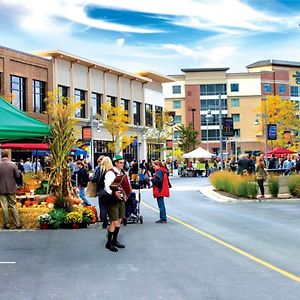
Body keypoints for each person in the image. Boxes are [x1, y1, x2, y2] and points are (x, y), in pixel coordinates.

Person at [104, 155, 127, 252]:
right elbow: (107, 187)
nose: (122, 164)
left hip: (121, 199)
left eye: (123, 162)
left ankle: (115, 240)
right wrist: (114, 193)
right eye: (120, 162)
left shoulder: (122, 172)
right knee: (114, 221)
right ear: (116, 163)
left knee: (120, 220)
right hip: (112, 200)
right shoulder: (110, 173)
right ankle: (109, 243)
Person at [0, 150, 22, 229]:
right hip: (11, 188)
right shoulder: (13, 164)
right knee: (13, 205)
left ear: (1, 155)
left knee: (4, 206)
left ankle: (6, 224)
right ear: (8, 155)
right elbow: (18, 176)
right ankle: (18, 224)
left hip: (1, 188)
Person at [91, 155, 108, 228]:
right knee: (109, 206)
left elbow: (95, 179)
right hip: (109, 190)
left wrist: (91, 178)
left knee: (102, 206)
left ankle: (104, 222)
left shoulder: (99, 170)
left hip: (101, 190)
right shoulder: (111, 170)